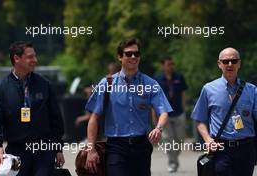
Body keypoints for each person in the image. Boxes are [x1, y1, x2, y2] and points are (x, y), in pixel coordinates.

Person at [85, 38, 173, 176]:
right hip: (116, 147)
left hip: (141, 145)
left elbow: (164, 112)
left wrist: (159, 128)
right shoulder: (106, 84)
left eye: (136, 54)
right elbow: (93, 118)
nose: (133, 57)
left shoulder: (150, 83)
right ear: (120, 57)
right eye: (128, 54)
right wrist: (91, 149)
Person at [0, 41, 65, 176]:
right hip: (16, 151)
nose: (35, 60)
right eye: (30, 57)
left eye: (35, 56)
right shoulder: (0, 88)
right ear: (16, 58)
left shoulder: (44, 84)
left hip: (43, 150)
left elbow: (55, 119)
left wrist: (58, 148)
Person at [191, 47, 257, 176]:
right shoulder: (208, 89)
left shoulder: (252, 90)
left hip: (246, 148)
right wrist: (208, 140)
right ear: (219, 64)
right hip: (221, 149)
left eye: (234, 61)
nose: (230, 64)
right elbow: (199, 120)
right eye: (226, 61)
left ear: (239, 63)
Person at [156, 57, 187, 173]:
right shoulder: (158, 79)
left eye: (172, 64)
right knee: (168, 140)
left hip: (179, 112)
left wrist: (184, 109)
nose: (171, 66)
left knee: (180, 139)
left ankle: (175, 158)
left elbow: (183, 93)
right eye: (168, 64)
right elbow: (155, 98)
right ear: (163, 65)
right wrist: (155, 116)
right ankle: (172, 163)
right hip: (164, 114)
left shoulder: (179, 77)